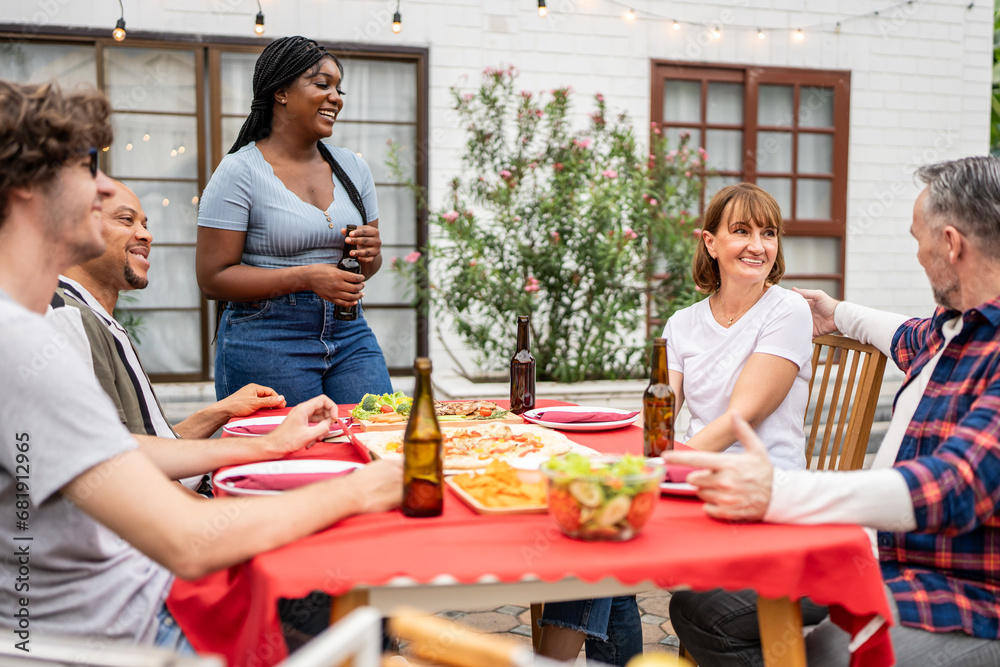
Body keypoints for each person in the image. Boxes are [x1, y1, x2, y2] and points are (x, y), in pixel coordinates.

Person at [0, 80, 402, 651]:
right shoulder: (20, 343)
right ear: (24, 190)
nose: (108, 186)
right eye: (89, 168)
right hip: (144, 626)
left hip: (142, 595)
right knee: (355, 581)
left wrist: (262, 447)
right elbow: (190, 541)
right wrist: (364, 489)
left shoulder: (28, 324)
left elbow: (117, 449)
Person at [665, 156, 1000, 666]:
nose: (916, 255)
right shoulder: (954, 330)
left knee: (781, 642)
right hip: (877, 552)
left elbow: (955, 483)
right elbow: (905, 335)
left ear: (951, 244)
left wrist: (780, 492)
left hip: (951, 591)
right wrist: (838, 311)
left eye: (918, 241)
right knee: (698, 606)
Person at [536, 183, 814, 664]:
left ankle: (549, 663)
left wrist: (652, 472)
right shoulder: (683, 323)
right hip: (694, 486)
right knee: (599, 533)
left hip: (757, 491)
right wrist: (638, 465)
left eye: (768, 233)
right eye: (741, 231)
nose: (757, 245)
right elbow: (660, 417)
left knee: (604, 531)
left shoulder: (786, 310)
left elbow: (739, 417)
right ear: (710, 242)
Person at [48, 179, 288, 490]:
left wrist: (222, 410)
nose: (147, 235)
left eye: (145, 224)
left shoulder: (91, 313)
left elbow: (146, 445)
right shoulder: (66, 317)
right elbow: (115, 470)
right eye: (126, 219)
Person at [196, 35, 392, 406]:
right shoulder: (240, 172)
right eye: (322, 84)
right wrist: (305, 277)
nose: (336, 97)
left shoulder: (354, 167)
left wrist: (371, 254)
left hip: (349, 332)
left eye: (339, 88)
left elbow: (365, 270)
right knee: (289, 457)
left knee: (374, 437)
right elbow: (212, 279)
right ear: (281, 92)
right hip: (267, 337)